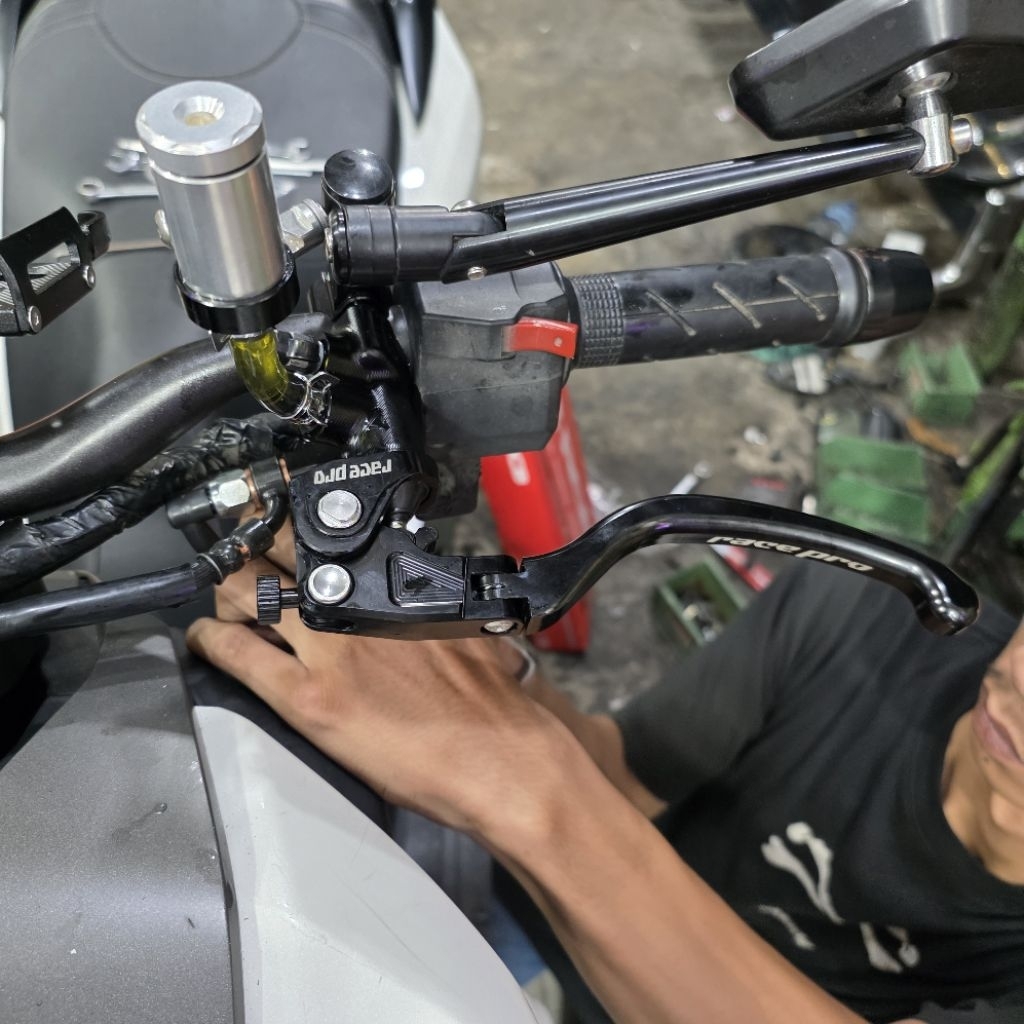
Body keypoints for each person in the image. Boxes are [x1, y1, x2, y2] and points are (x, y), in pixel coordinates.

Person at [186, 528, 1024, 1024]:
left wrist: (533, 785)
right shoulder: (866, 625)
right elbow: (621, 776)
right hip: (562, 932)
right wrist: (495, 673)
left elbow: (564, 792)